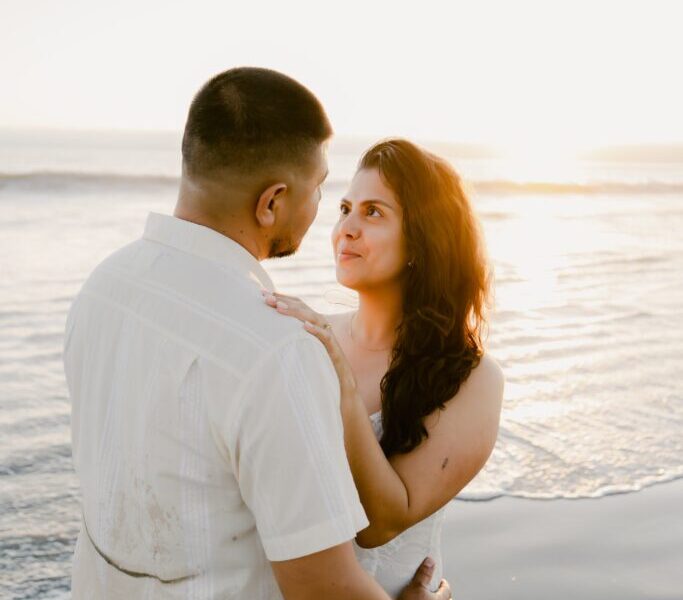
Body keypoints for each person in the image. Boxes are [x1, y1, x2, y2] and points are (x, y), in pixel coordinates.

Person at [63, 67, 451, 599]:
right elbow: (323, 590)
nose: (327, 215)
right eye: (320, 191)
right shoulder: (279, 349)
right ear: (271, 203)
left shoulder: (103, 286)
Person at [263, 138, 504, 596]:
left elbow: (379, 524)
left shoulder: (472, 379)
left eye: (373, 212)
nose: (346, 229)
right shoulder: (307, 335)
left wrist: (341, 382)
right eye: (345, 208)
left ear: (422, 239)